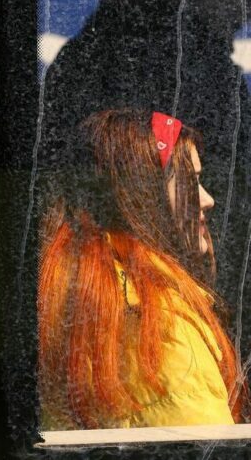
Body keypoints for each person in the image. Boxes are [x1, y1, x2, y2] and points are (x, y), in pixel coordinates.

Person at [41, 0, 251, 350]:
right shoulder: (201, 72)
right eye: (237, 0)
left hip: (91, 273)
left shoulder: (84, 55)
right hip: (168, 290)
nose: (243, 15)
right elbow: (234, 199)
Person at [38, 109, 245, 429]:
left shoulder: (82, 297)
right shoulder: (160, 324)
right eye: (190, 182)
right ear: (143, 196)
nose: (207, 200)